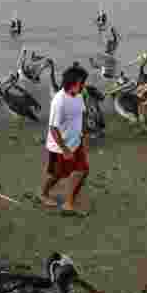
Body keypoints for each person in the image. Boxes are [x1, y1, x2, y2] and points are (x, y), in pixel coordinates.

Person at [40, 64, 90, 215]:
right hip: (60, 146)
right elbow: (53, 129)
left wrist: (84, 135)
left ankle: (68, 204)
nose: (84, 85)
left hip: (75, 142)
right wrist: (65, 149)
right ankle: (43, 194)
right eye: (82, 82)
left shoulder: (79, 96)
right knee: (57, 174)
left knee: (82, 171)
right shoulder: (59, 101)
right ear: (73, 83)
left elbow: (82, 114)